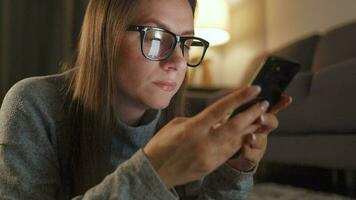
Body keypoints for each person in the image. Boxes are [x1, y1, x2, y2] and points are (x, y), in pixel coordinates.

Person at [0, 0, 292, 199]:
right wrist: (156, 170)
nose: (177, 61)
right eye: (155, 36)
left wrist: (235, 170)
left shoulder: (174, 120)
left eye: (186, 43)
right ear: (104, 36)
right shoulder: (32, 104)